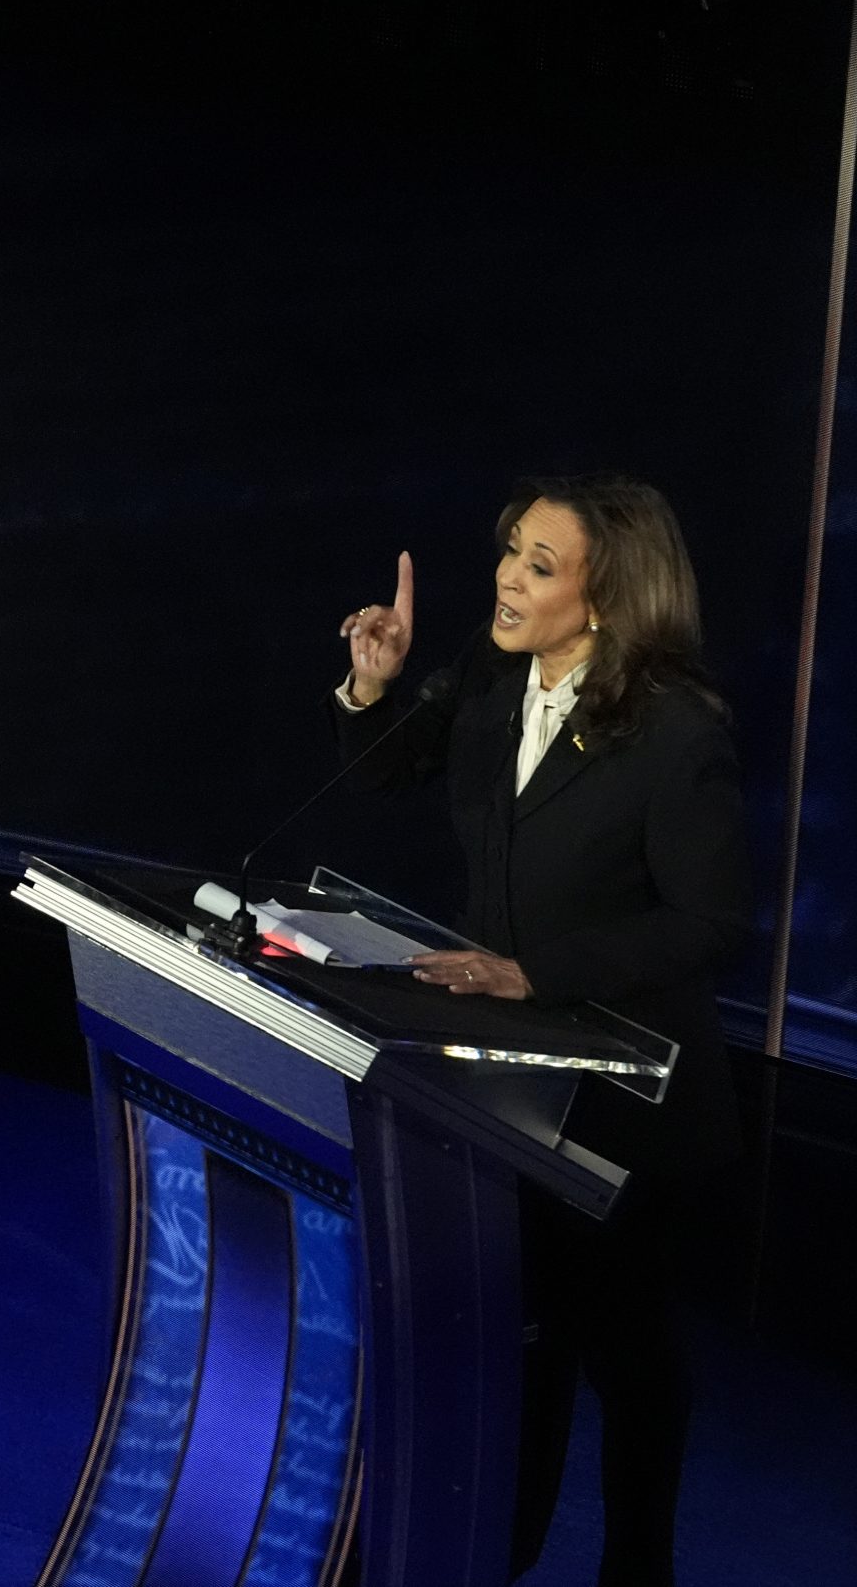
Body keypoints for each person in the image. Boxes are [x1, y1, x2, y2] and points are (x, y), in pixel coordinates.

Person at [335, 475, 749, 1587]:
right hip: (498, 1086)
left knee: (623, 1352)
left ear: (605, 597)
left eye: (539, 564)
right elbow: (388, 772)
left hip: (627, 1101)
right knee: (521, 1339)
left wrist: (536, 972)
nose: (508, 580)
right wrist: (371, 687)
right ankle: (490, 1557)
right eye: (510, 552)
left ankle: (635, 1565)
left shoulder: (675, 732)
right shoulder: (487, 667)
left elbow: (709, 921)